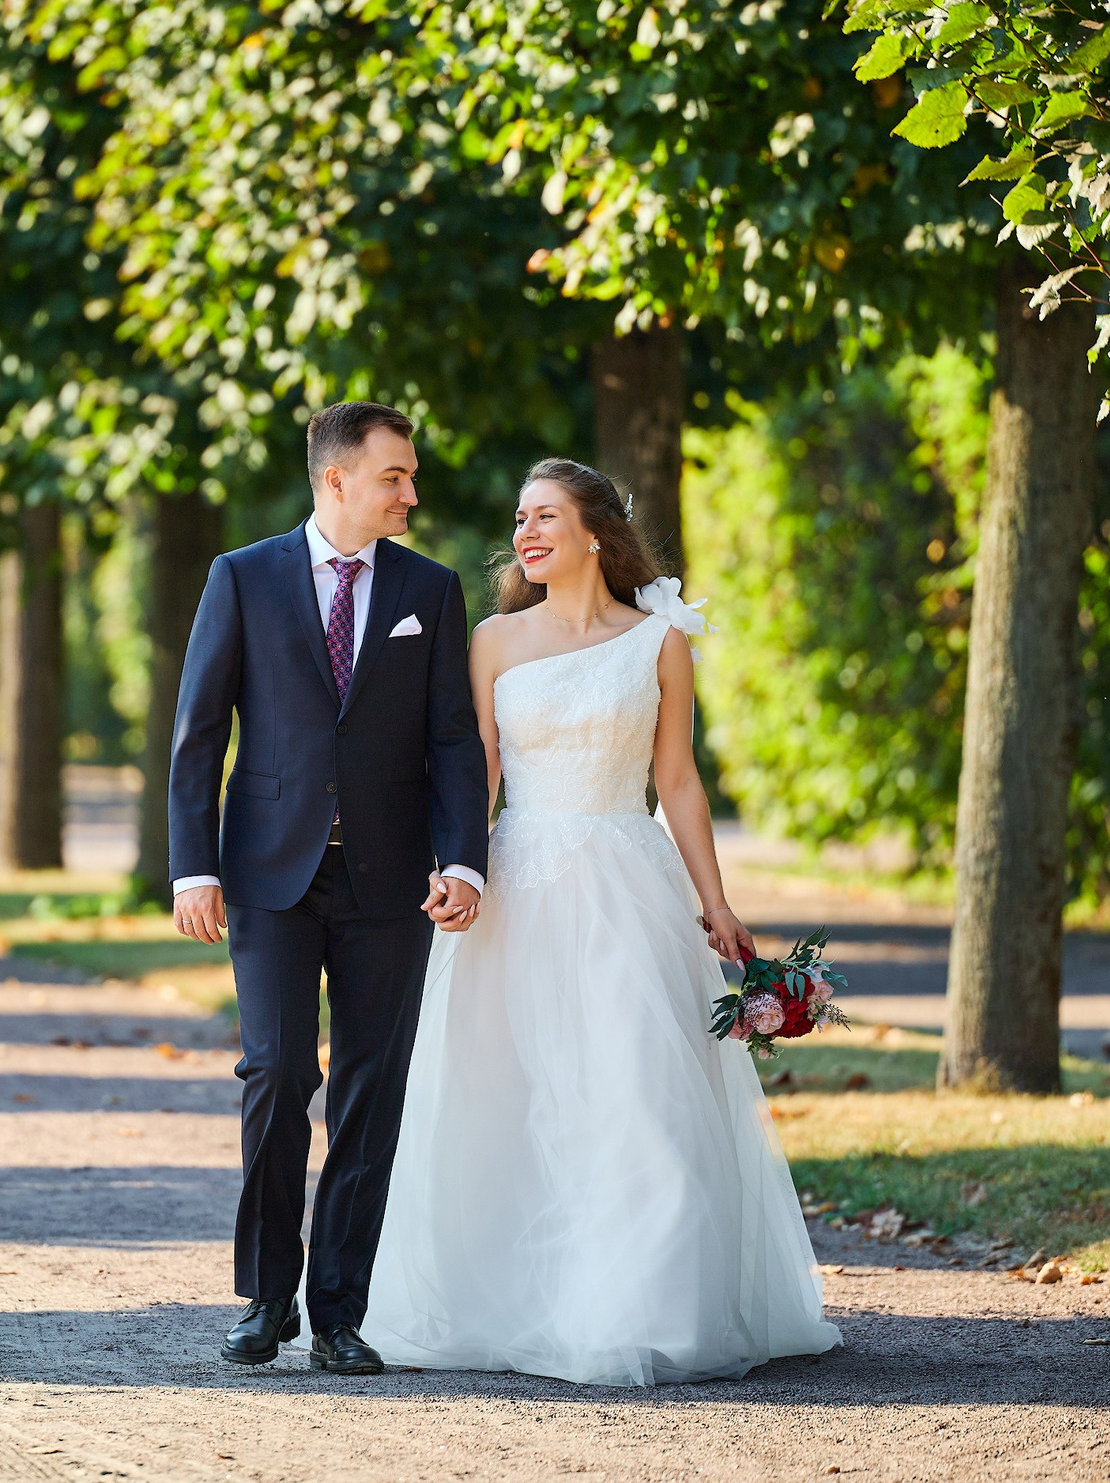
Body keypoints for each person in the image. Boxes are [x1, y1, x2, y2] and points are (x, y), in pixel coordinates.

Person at [359, 457, 841, 1387]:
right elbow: (478, 774)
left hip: (629, 884)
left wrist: (716, 901)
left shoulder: (660, 638)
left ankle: (642, 1308)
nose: (526, 532)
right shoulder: (494, 639)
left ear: (594, 531)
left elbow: (679, 780)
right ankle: (515, 1302)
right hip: (518, 885)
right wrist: (452, 870)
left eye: (545, 515)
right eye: (520, 517)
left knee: (636, 1091)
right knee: (510, 1092)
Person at [166, 401, 490, 1375]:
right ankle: (267, 1298)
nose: (412, 493)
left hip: (390, 882)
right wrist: (194, 863)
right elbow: (198, 732)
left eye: (412, 475)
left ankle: (340, 1311)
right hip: (267, 874)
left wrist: (462, 856)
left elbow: (450, 740)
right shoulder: (243, 576)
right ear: (336, 479)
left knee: (369, 1089)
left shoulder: (428, 591)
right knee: (275, 1075)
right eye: (395, 476)